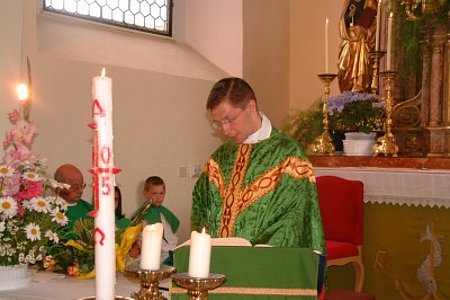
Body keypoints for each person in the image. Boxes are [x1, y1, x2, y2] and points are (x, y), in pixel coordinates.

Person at [191, 77, 325, 252]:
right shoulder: (220, 157)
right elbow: (201, 207)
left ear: (251, 107)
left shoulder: (288, 156)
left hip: (264, 267)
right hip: (219, 268)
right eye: (218, 123)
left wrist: (254, 255)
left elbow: (294, 220)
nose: (225, 130)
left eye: (229, 119)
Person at [131, 176, 180, 264]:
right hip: (149, 256)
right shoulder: (143, 216)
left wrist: (174, 248)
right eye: (154, 193)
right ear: (145, 193)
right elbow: (143, 240)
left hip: (166, 252)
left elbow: (171, 237)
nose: (158, 197)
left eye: (161, 193)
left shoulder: (165, 213)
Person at [337, 0, 378, 93]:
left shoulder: (370, 1)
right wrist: (348, 17)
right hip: (348, 41)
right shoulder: (348, 2)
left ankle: (360, 90)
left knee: (362, 70)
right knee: (343, 69)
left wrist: (359, 32)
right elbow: (342, 22)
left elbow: (368, 25)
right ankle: (346, 94)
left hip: (362, 43)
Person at [54, 164, 93, 228]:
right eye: (75, 187)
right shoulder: (48, 210)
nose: (81, 191)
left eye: (82, 186)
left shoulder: (89, 209)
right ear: (60, 186)